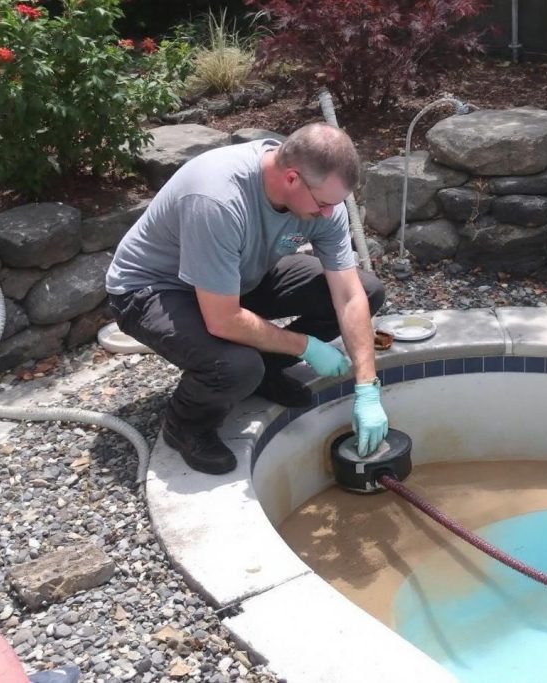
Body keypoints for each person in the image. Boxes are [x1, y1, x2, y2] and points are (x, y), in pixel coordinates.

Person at [105, 123, 387, 475]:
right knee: (236, 366)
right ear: (291, 179)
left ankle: (265, 371)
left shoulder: (321, 199)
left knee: (369, 290)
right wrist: (306, 346)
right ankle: (185, 425)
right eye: (324, 204)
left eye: (336, 203)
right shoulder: (218, 197)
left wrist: (367, 388)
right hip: (154, 289)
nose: (330, 213)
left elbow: (348, 295)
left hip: (235, 278)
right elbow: (222, 319)